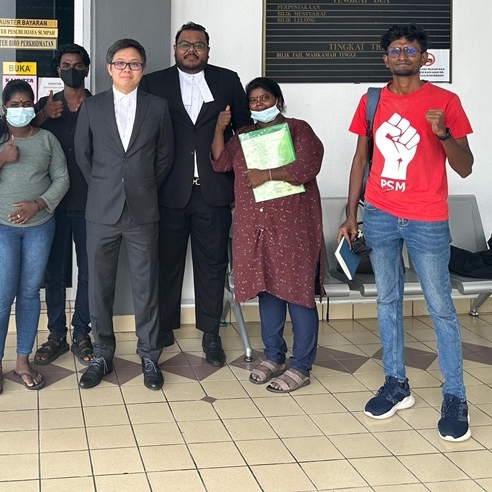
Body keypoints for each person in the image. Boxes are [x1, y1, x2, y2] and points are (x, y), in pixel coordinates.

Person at [337, 24, 475, 442]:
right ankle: (396, 384)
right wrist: (351, 213)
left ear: (424, 57)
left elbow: (465, 166)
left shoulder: (445, 102)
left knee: (440, 307)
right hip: (379, 213)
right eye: (395, 50)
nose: (402, 56)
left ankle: (455, 396)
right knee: (387, 301)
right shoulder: (371, 100)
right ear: (385, 58)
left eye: (410, 50)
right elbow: (361, 158)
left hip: (427, 217)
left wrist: (443, 134)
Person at [139, 22, 251, 365]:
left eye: (198, 45)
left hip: (214, 192)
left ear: (208, 50)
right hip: (168, 190)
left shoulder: (227, 80)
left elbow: (243, 131)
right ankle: (164, 328)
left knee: (212, 265)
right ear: (174, 49)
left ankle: (211, 332)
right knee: (166, 264)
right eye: (185, 44)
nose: (191, 50)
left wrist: (241, 183)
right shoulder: (153, 83)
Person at [211, 78, 325, 393]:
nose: (259, 105)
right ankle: (274, 356)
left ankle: (301, 366)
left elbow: (308, 166)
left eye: (265, 98)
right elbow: (220, 164)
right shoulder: (243, 136)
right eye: (253, 101)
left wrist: (269, 175)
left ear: (278, 99)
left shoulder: (299, 130)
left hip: (292, 227)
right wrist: (220, 129)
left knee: (298, 294)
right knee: (268, 291)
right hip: (255, 227)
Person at [75, 39, 174, 390]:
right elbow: (83, 155)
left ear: (142, 69)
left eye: (134, 64)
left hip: (142, 210)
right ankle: (102, 353)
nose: (127, 69)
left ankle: (149, 355)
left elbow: (164, 156)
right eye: (120, 63)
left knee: (147, 287)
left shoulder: (157, 107)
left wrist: (140, 185)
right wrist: (106, 186)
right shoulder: (93, 106)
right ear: (108, 68)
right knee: (99, 287)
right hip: (101, 211)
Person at [0, 80, 70, 396]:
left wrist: (38, 204)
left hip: (40, 225)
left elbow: (62, 179)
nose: (21, 109)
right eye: (15, 104)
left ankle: (23, 360)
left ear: (33, 107)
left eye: (27, 103)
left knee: (28, 293)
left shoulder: (47, 140)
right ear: (4, 108)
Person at [31, 44, 94, 366]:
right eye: (66, 64)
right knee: (53, 274)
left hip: (90, 204)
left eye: (78, 65)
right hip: (51, 205)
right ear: (58, 70)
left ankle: (82, 332)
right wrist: (42, 116)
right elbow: (20, 138)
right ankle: (56, 334)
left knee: (89, 272)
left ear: (87, 68)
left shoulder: (100, 106)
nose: (72, 69)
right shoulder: (44, 105)